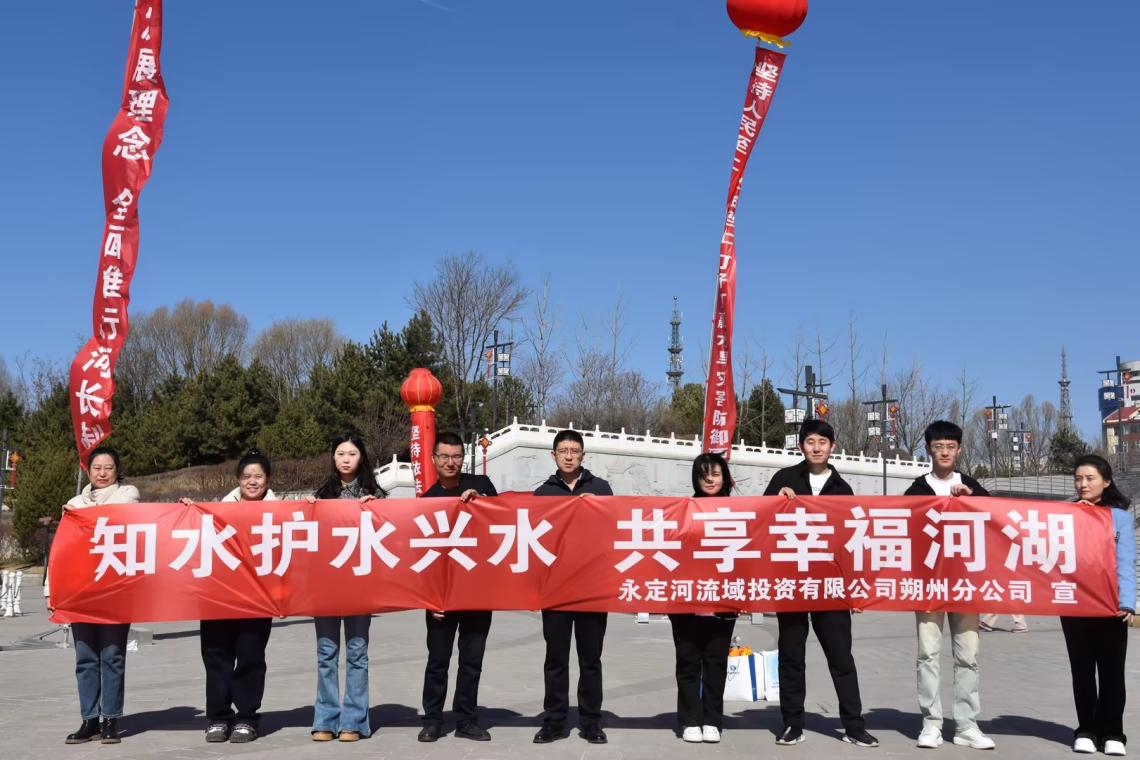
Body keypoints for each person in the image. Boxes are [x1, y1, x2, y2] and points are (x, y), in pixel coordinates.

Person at [763, 419, 878, 748]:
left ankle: (854, 726)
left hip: (832, 586)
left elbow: (853, 542)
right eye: (810, 441)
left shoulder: (842, 489)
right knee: (791, 656)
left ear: (833, 447)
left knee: (841, 658)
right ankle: (792, 723)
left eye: (822, 442)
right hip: (793, 582)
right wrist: (775, 501)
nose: (816, 448)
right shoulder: (784, 479)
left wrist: (856, 590)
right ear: (801, 445)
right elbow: (760, 522)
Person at [903, 421, 995, 750]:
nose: (944, 452)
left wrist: (974, 500)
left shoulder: (971, 486)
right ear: (928, 449)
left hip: (965, 583)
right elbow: (902, 531)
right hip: (928, 583)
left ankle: (966, 725)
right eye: (938, 446)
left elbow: (995, 522)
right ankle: (931, 723)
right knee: (928, 654)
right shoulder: (916, 490)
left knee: (967, 656)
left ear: (959, 450)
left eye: (950, 446)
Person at [181, 451, 277, 744]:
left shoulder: (281, 513)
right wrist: (187, 511)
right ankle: (219, 717)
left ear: (267, 479)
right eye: (246, 476)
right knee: (216, 655)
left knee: (250, 656)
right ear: (237, 479)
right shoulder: (216, 510)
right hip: (217, 597)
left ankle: (247, 717)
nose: (252, 481)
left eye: (258, 476)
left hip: (257, 599)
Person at [49, 446, 139, 745]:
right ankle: (89, 719)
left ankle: (110, 718)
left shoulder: (128, 494)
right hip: (81, 591)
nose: (102, 473)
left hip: (115, 591)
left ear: (117, 470)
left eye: (108, 468)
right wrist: (52, 590)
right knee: (85, 657)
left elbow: (117, 514)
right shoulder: (75, 503)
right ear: (87, 471)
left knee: (112, 656)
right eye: (96, 468)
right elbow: (61, 551)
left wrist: (78, 515)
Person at [532, 429, 614, 745]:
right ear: (553, 455)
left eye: (574, 451)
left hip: (592, 588)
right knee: (556, 658)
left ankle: (591, 721)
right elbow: (533, 541)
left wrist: (600, 508)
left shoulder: (601, 489)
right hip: (556, 589)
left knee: (590, 659)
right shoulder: (543, 494)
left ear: (583, 455)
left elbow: (615, 531)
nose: (569, 456)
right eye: (563, 451)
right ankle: (554, 721)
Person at [417, 432, 499, 743]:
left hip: (478, 591)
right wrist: (429, 598)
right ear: (434, 460)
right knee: (438, 661)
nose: (450, 462)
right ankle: (433, 720)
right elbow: (420, 557)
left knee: (471, 661)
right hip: (441, 597)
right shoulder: (427, 501)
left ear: (463, 458)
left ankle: (466, 720)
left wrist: (483, 502)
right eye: (444, 456)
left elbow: (504, 519)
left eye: (456, 456)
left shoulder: (481, 485)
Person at [306, 434, 385, 743]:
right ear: (333, 458)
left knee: (357, 652)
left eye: (351, 453)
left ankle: (354, 721)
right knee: (326, 653)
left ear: (361, 457)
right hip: (325, 584)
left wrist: (379, 510)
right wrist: (307, 509)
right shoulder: (322, 495)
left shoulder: (375, 495)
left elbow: (391, 535)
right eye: (340, 453)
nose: (346, 459)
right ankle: (325, 719)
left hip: (360, 584)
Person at [1062, 454, 1135, 757]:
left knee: (1111, 672)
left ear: (1106, 482)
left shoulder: (1120, 518)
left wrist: (1128, 602)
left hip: (1110, 606)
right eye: (1078, 478)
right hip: (1074, 604)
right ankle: (1087, 730)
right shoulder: (1065, 515)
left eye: (1090, 478)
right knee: (1081, 671)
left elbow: (1126, 561)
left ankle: (1113, 732)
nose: (1083, 484)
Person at [671, 453, 737, 744]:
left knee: (716, 663)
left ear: (725, 478)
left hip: (723, 601)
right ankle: (689, 720)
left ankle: (712, 720)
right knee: (687, 662)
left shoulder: (738, 512)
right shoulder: (684, 509)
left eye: (716, 474)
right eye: (704, 475)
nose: (710, 480)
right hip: (686, 600)